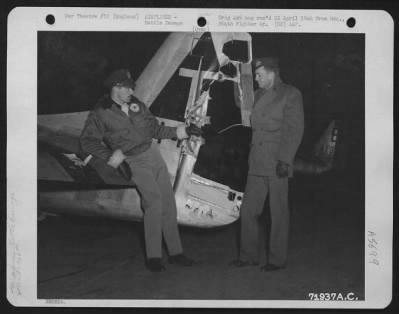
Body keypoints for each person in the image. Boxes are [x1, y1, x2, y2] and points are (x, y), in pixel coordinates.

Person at [80, 69, 202, 272]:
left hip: (153, 154)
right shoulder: (100, 112)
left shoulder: (136, 104)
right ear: (116, 88)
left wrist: (183, 131)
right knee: (153, 203)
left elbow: (154, 129)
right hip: (133, 161)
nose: (132, 90)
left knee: (168, 203)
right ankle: (153, 256)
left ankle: (176, 253)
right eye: (127, 87)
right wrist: (112, 156)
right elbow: (87, 142)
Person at [232, 57, 304, 271]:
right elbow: (242, 105)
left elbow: (295, 129)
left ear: (273, 73)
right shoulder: (258, 95)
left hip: (277, 161)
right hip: (256, 161)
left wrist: (285, 159)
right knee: (248, 211)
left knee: (278, 213)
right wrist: (237, 82)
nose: (256, 78)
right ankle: (248, 256)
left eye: (259, 74)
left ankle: (276, 259)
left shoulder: (290, 94)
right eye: (255, 75)